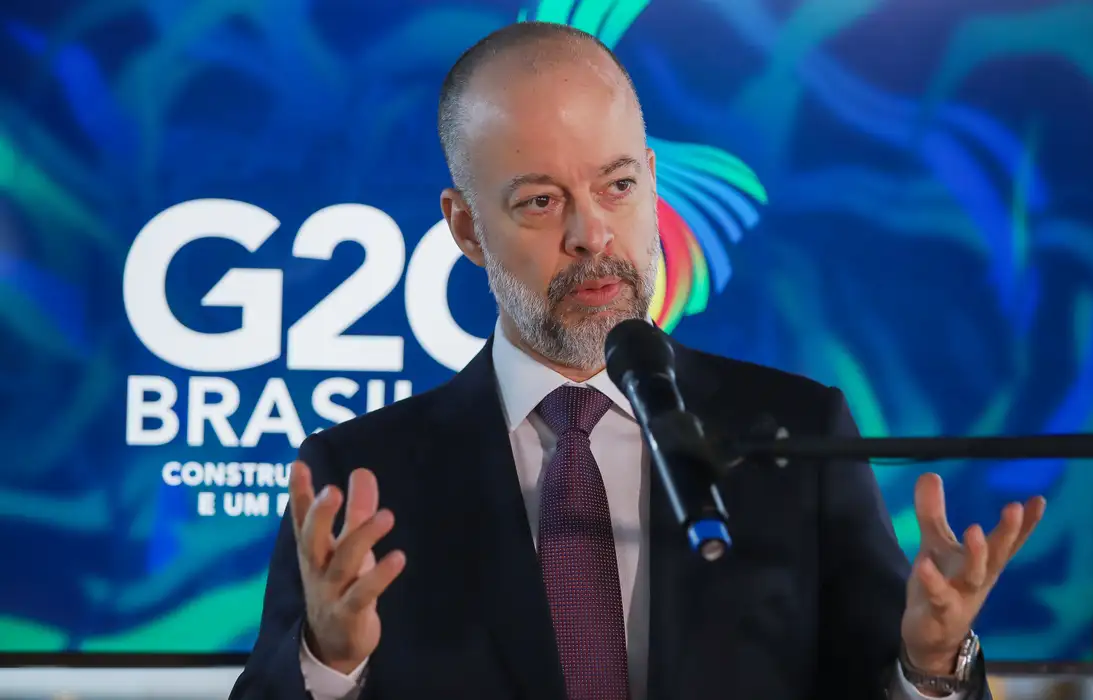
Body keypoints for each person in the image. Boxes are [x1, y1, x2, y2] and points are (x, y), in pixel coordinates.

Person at [229, 20, 1045, 700]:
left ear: (653, 182)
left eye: (617, 187)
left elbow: (873, 680)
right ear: (468, 228)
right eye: (540, 201)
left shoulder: (796, 433)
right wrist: (328, 664)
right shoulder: (360, 475)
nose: (592, 235)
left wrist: (929, 666)